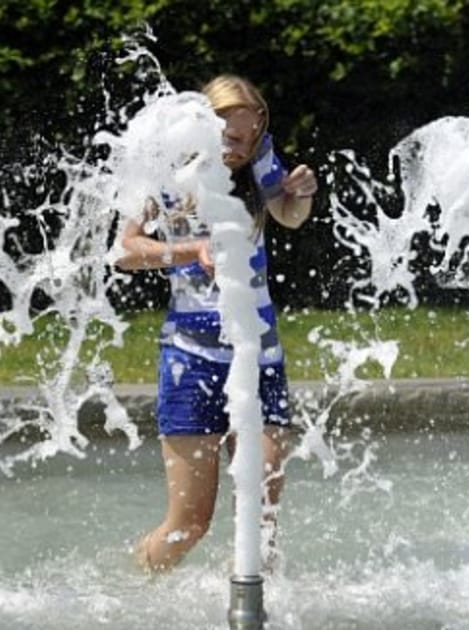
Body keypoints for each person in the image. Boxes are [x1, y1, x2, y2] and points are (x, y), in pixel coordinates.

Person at [115, 74, 317, 573]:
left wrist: (302, 194)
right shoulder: (166, 172)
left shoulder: (260, 159)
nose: (238, 147)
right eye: (229, 136)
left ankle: (253, 612)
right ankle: (130, 592)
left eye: (247, 137)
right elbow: (125, 251)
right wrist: (189, 250)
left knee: (262, 519)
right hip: (192, 359)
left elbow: (288, 216)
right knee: (190, 525)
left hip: (258, 354)